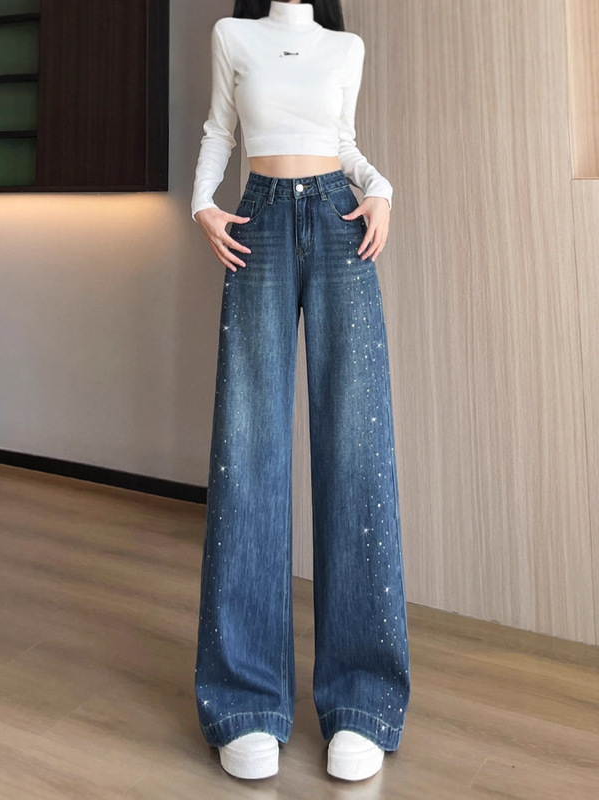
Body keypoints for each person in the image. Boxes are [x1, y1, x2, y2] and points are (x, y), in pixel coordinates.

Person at [191, 0, 410, 782]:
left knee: (356, 448)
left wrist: (381, 187)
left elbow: (342, 142)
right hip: (257, 222)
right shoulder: (233, 35)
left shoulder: (346, 47)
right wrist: (201, 202)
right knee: (248, 448)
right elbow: (220, 129)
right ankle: (245, 700)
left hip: (342, 221)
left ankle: (363, 700)